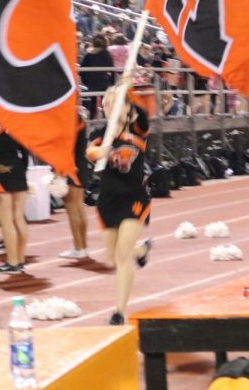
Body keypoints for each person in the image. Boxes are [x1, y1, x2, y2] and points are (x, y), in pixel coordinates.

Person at [86, 85, 154, 325]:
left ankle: (119, 312)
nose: (109, 108)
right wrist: (101, 151)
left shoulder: (138, 130)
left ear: (128, 108)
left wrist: (126, 89)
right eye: (105, 104)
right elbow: (90, 152)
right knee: (112, 257)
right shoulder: (101, 133)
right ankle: (141, 250)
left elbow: (143, 115)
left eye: (115, 103)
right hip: (108, 200)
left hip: (134, 198)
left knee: (122, 257)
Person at [0, 110, 30, 274]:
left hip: (0, 172)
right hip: (18, 170)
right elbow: (26, 151)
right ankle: (20, 260)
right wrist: (22, 169)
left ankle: (13, 262)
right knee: (19, 218)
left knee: (6, 220)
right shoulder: (18, 120)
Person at [59, 108, 90, 260]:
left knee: (72, 208)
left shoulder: (68, 118)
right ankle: (83, 246)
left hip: (71, 165)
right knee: (79, 206)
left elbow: (65, 145)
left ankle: (79, 247)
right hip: (81, 164)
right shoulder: (78, 115)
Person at [79, 34, 115, 120]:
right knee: (105, 103)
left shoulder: (88, 55)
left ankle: (91, 121)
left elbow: (81, 70)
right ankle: (107, 121)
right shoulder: (106, 54)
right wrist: (112, 83)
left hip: (92, 84)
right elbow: (112, 69)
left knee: (93, 102)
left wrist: (86, 81)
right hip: (104, 83)